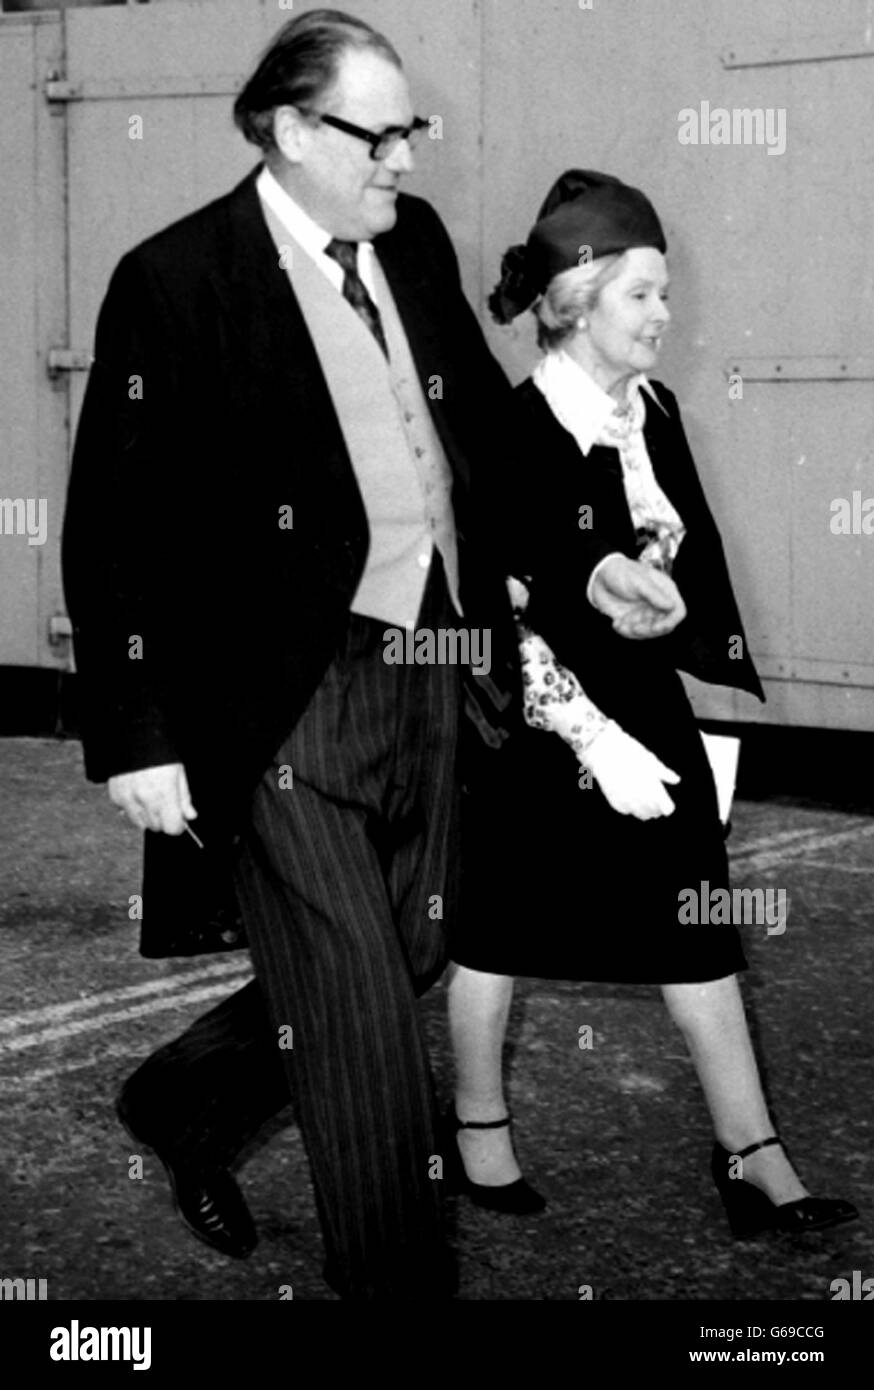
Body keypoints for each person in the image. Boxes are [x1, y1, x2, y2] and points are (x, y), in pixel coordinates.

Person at [61, 15, 685, 1301]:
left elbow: (486, 455)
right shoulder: (177, 280)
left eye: (411, 128)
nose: (405, 156)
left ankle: (183, 1098)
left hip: (434, 671)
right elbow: (114, 524)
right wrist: (135, 732)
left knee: (396, 955)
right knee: (354, 1020)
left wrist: (582, 565)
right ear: (289, 130)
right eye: (378, 131)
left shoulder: (410, 250)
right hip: (279, 699)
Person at [445, 169, 858, 1240]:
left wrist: (659, 594)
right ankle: (477, 1133)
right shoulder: (511, 429)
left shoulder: (655, 410)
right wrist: (586, 718)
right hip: (544, 713)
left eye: (665, 293)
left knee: (698, 919)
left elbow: (665, 551)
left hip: (645, 700)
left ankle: (752, 1154)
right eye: (641, 293)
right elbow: (500, 607)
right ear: (575, 299)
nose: (662, 315)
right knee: (495, 929)